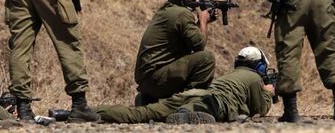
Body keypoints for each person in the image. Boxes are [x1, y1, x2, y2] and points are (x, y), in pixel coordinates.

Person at [95, 46, 274, 124]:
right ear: (259, 65)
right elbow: (260, 109)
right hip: (208, 103)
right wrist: (268, 91)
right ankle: (185, 114)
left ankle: (91, 112)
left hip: (192, 94)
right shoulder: (254, 78)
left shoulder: (231, 76)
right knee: (194, 109)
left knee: (140, 114)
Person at [133, 0, 217, 106]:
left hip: (147, 80)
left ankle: (148, 99)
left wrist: (202, 22)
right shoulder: (182, 14)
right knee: (206, 59)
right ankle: (188, 105)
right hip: (156, 79)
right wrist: (203, 21)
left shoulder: (167, 9)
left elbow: (189, 39)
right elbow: (199, 45)